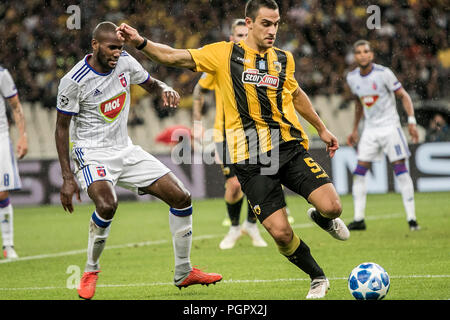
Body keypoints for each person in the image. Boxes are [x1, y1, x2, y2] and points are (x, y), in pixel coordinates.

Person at [116, 0, 349, 299]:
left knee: (333, 207)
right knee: (281, 234)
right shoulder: (223, 54)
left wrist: (321, 128)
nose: (273, 30)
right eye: (266, 23)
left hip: (287, 147)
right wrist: (141, 42)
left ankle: (323, 219)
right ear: (249, 23)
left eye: (276, 23)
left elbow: (296, 92)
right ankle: (317, 277)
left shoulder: (283, 59)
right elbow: (174, 56)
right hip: (249, 158)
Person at [54, 21, 222, 300]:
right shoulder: (74, 80)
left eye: (120, 48)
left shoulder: (126, 62)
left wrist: (164, 88)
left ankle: (184, 272)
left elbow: (150, 83)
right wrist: (67, 178)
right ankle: (90, 270)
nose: (117, 53)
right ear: (95, 45)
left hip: (126, 149)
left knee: (182, 197)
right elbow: (61, 128)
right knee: (107, 205)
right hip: (91, 151)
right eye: (111, 48)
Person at [192, 19, 268, 250]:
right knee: (234, 185)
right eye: (239, 34)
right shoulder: (221, 62)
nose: (243, 38)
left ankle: (251, 226)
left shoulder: (261, 62)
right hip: (225, 134)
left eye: (247, 34)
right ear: (231, 38)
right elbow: (198, 89)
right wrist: (197, 122)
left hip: (256, 133)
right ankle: (235, 228)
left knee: (257, 183)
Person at [345, 39, 420, 231]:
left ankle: (412, 219)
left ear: (371, 55)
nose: (362, 54)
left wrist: (411, 122)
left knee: (400, 170)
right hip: (370, 129)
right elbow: (360, 104)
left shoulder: (384, 74)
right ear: (355, 56)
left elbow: (403, 95)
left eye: (366, 51)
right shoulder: (352, 77)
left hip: (390, 127)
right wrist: (355, 129)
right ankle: (359, 219)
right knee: (359, 172)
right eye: (359, 52)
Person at [0, 65, 27, 260]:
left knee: (1, 192)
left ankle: (8, 245)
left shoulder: (2, 74)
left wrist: (22, 137)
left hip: (0, 136)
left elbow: (16, 106)